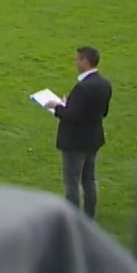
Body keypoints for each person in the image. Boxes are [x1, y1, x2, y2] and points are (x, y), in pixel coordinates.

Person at [46, 46, 112, 218]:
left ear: (85, 61)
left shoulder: (83, 88)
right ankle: (89, 217)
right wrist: (70, 105)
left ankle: (73, 220)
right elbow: (102, 112)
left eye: (77, 59)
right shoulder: (104, 84)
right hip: (93, 139)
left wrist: (57, 106)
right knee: (89, 179)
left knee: (72, 182)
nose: (76, 63)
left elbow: (71, 116)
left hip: (75, 142)